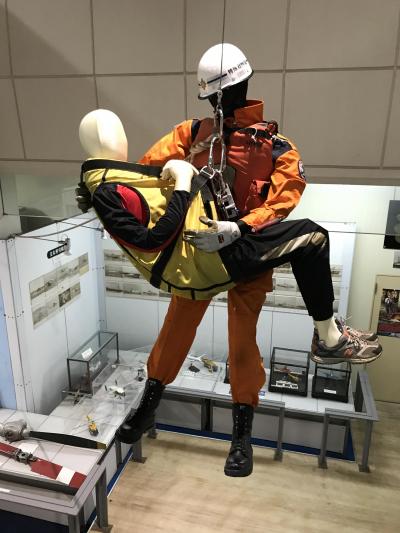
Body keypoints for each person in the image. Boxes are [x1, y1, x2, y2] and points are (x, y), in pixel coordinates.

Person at [78, 44, 382, 477]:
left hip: (246, 255)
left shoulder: (278, 148)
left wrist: (241, 227)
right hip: (196, 248)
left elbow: (284, 199)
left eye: (217, 96)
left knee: (242, 344)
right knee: (175, 329)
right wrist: (103, 187)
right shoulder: (191, 133)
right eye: (213, 98)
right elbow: (145, 173)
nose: (216, 105)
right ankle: (148, 404)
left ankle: (241, 436)